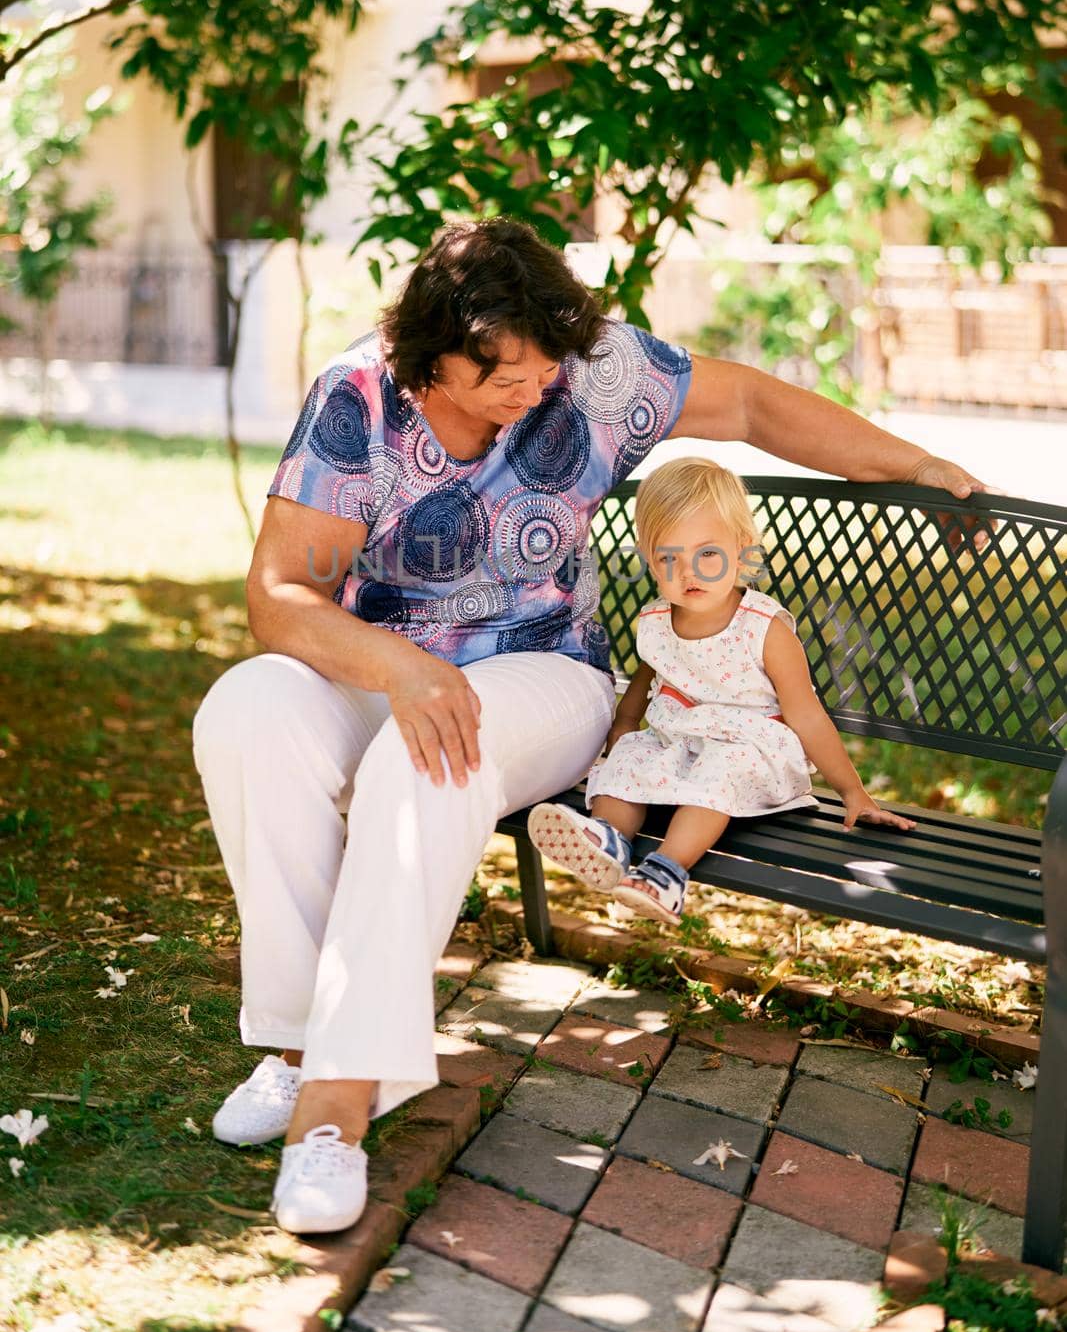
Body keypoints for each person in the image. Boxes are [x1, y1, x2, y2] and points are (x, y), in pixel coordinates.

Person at [191, 216, 991, 1237]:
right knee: (249, 709)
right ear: (426, 356)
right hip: (393, 662)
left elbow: (744, 400)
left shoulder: (591, 371)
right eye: (501, 378)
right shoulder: (356, 404)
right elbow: (278, 595)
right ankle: (303, 1036)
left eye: (543, 370)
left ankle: (335, 1109)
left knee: (428, 751)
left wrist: (911, 459)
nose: (531, 394)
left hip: (546, 671)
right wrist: (402, 666)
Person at [528, 456, 914, 926]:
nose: (689, 572)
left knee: (721, 767)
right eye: (669, 558)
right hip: (682, 742)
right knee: (631, 756)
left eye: (707, 554)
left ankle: (668, 872)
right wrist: (620, 740)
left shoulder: (763, 629)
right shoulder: (655, 622)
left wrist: (852, 791)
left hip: (753, 753)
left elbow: (807, 714)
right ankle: (608, 838)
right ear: (648, 559)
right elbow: (640, 693)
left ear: (744, 552)